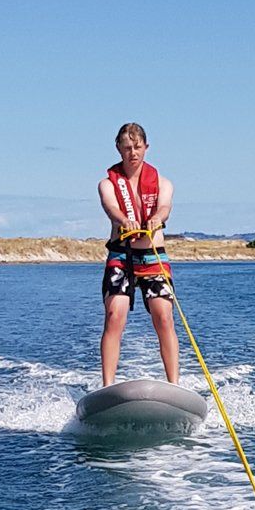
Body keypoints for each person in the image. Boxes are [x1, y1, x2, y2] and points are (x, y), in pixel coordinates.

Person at [98, 124, 180, 386]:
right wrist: (124, 220)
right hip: (122, 256)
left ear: (146, 147)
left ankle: (174, 385)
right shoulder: (107, 184)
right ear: (118, 149)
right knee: (115, 315)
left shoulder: (163, 183)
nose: (132, 152)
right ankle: (108, 386)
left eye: (137, 147)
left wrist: (157, 217)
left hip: (152, 257)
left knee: (163, 315)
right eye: (127, 147)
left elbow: (164, 207)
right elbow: (111, 207)